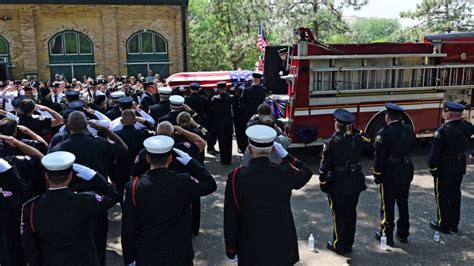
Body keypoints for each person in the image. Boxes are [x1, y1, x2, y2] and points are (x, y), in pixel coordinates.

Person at [224, 125, 312, 265]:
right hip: (282, 244)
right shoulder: (284, 171)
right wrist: (287, 156)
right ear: (273, 150)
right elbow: (306, 172)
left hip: (251, 245)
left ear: (250, 149)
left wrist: (231, 250)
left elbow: (231, 217)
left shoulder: (236, 177)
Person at [121, 135, 217, 265]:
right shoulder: (183, 181)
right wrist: (191, 162)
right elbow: (210, 184)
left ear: (148, 158)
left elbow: (128, 227)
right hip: (179, 252)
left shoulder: (133, 187)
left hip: (148, 253)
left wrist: (129, 258)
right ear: (170, 158)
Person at [49, 111, 127, 266]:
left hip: (70, 197)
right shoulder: (99, 142)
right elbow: (123, 148)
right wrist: (105, 130)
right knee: (98, 242)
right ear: (86, 126)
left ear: (67, 125)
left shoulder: (60, 147)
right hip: (97, 197)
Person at [21, 151, 119, 266]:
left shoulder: (31, 207)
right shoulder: (85, 200)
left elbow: (29, 245)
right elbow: (114, 195)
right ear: (70, 176)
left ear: (46, 176)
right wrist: (94, 176)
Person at [319, 109, 369, 255]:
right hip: (354, 182)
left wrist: (323, 183)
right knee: (351, 213)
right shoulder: (357, 139)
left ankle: (339, 244)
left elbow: (324, 167)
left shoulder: (330, 143)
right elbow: (367, 139)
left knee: (339, 214)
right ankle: (348, 244)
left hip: (338, 183)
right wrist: (355, 130)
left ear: (336, 124)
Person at [373, 103, 416, 245]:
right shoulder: (409, 129)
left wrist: (377, 174)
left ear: (387, 116)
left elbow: (378, 158)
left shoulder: (383, 134)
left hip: (389, 173)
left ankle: (387, 235)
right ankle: (403, 233)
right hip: (406, 170)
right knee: (403, 203)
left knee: (387, 205)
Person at [428, 101, 474, 234]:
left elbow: (434, 153)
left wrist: (432, 168)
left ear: (451, 113)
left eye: (446, 111)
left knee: (442, 194)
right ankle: (454, 224)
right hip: (459, 165)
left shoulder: (442, 131)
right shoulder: (467, 126)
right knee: (455, 194)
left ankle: (443, 223)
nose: (444, 113)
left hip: (444, 167)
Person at [114, 110, 154, 201]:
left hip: (121, 170)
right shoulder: (142, 134)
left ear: (121, 121)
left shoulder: (116, 135)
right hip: (139, 171)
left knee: (123, 197)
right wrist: (145, 122)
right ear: (135, 121)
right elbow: (154, 130)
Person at [211, 81, 233, 165]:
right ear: (225, 88)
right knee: (229, 141)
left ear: (218, 89)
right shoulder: (230, 97)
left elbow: (211, 104)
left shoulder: (215, 98)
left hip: (219, 123)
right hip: (228, 122)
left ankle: (223, 160)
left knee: (222, 141)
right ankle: (228, 159)